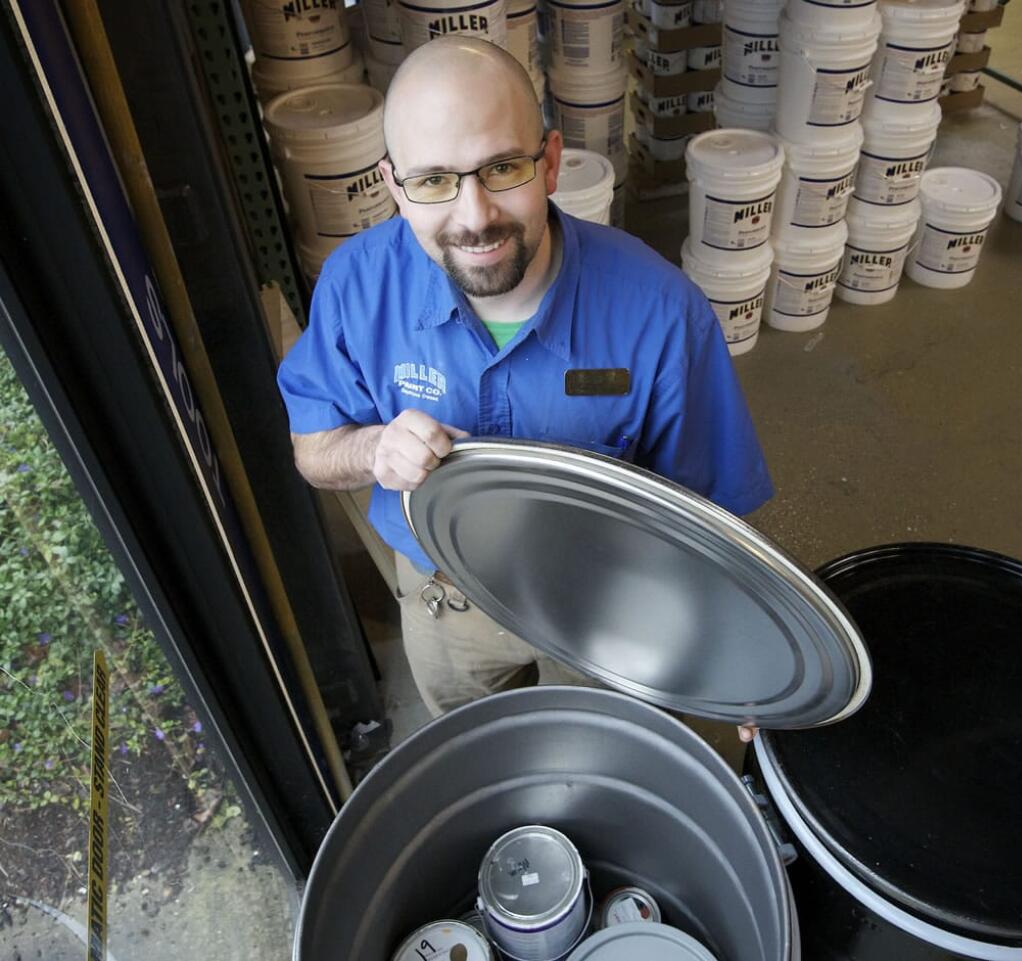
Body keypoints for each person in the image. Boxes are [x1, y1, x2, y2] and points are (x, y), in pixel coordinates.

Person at [277, 37, 773, 733]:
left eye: (503, 167)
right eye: (433, 181)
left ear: (549, 161)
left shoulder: (661, 313)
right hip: (444, 604)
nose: (475, 216)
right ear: (394, 186)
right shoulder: (356, 287)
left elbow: (712, 514)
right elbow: (314, 447)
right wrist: (372, 450)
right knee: (475, 756)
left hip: (608, 604)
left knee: (601, 757)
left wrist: (743, 648)